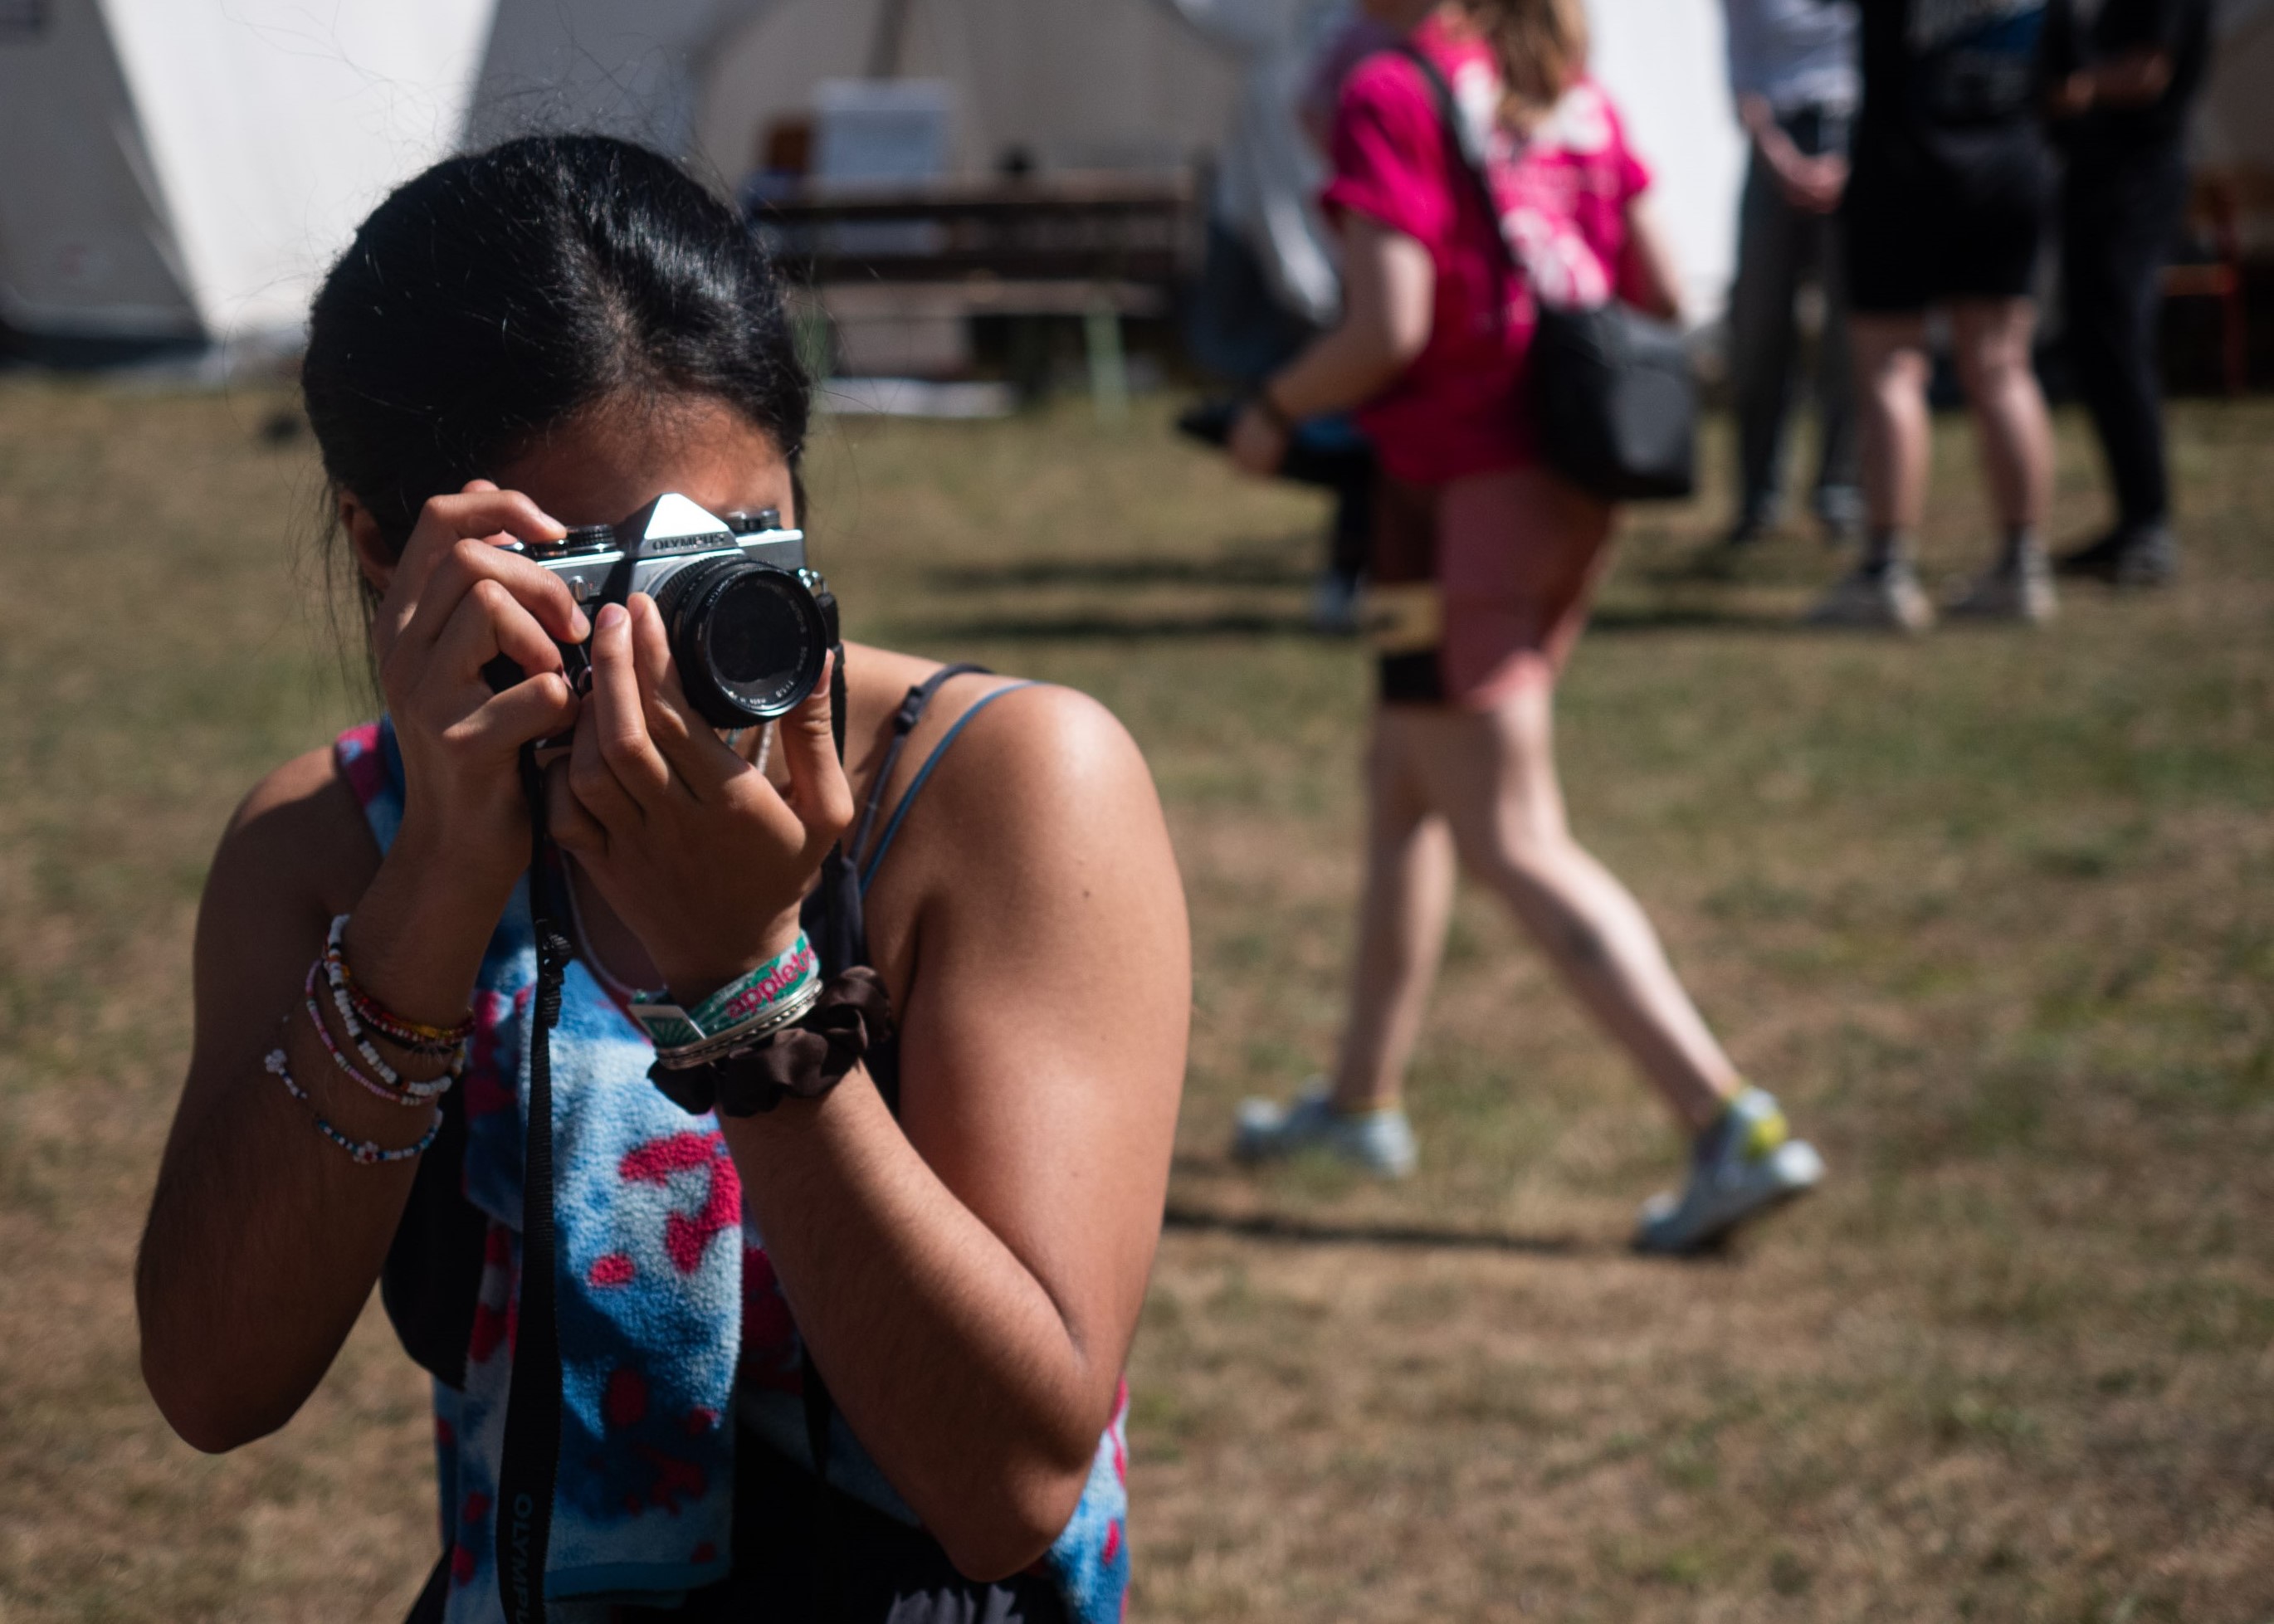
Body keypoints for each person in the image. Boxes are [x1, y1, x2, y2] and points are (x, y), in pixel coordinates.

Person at [134, 135, 1188, 1624]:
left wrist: (750, 994)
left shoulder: (997, 788)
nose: (663, 652)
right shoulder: (326, 846)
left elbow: (1008, 1487)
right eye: (593, 581)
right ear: (387, 546)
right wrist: (435, 886)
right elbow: (212, 1382)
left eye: (729, 561)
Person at [1221, 0, 1825, 1254]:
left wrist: (1273, 408)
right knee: (1406, 776)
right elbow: (1657, 285)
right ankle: (1359, 1100)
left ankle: (1729, 1122)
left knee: (1508, 827)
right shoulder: (1563, 87)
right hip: (1567, 481)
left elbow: (1385, 325)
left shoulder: (1393, 88)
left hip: (1453, 498)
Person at [1808, 0, 2061, 631]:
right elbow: (2069, 77)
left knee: (1892, 366)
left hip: (1905, 167)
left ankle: (1888, 573)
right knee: (2003, 365)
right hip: (2009, 163)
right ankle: (2022, 568)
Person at [2045, 0, 2215, 588]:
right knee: (2095, 346)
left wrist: (2070, 88)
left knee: (2120, 342)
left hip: (2137, 179)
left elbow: (2147, 73)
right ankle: (2133, 522)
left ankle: (2149, 529)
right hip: (2097, 178)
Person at [1720, 0, 1864, 548]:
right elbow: (1742, 76)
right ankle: (1758, 498)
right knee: (1758, 332)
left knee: (1848, 338)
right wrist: (1782, 161)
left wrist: (1850, 161)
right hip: (1774, 146)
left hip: (1854, 137)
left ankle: (1840, 492)